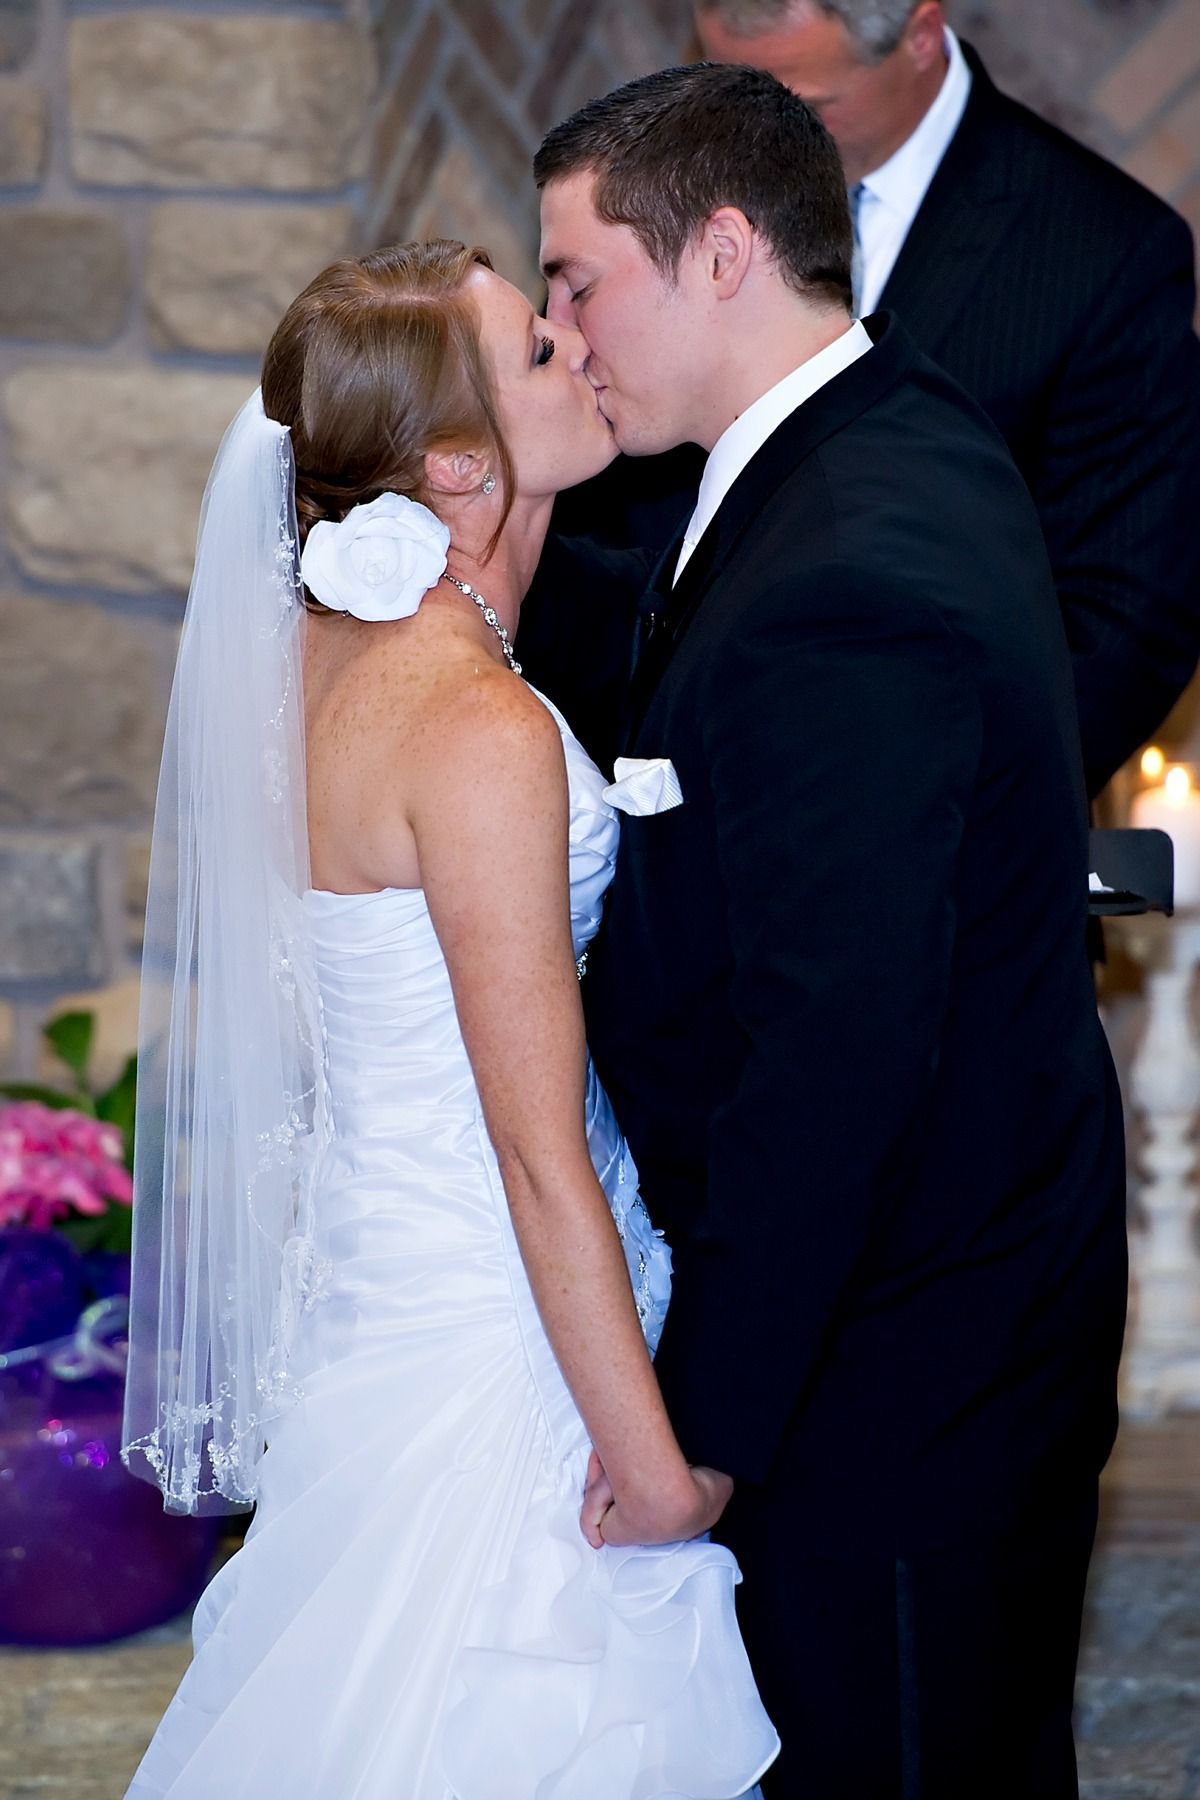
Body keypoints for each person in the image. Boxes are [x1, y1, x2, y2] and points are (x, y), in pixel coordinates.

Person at [535, 62, 1128, 1799]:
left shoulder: (846, 578)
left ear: (721, 253)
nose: (568, 333)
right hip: (946, 1289)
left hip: (898, 1362)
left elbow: (840, 1053)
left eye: (579, 280)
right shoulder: (892, 429)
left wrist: (700, 1429)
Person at [120, 242, 779, 1798]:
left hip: (379, 1300)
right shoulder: (474, 725)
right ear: (462, 464)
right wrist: (653, 1474)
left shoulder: (316, 659)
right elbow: (533, 1148)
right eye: (540, 350)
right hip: (499, 1336)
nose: (578, 342)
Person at [527, 0, 1200, 801]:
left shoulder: (1102, 250)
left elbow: (1121, 623)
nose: (752, 142)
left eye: (804, 104)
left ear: (919, 33)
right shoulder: (644, 222)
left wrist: (893, 792)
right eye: (730, 90)